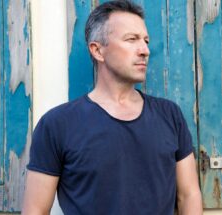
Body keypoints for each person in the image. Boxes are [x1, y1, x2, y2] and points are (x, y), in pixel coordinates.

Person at [22, 0, 203, 214]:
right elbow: (35, 209)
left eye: (145, 40)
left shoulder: (169, 115)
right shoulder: (57, 124)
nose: (144, 50)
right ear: (98, 50)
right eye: (131, 39)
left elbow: (188, 194)